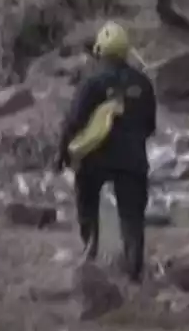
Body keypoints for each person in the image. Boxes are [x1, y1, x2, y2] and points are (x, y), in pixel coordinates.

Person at [55, 21, 157, 282]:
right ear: (125, 52)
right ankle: (134, 272)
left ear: (100, 51)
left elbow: (73, 121)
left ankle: (90, 255)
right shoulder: (144, 84)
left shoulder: (92, 82)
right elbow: (149, 126)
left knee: (87, 202)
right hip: (132, 160)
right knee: (132, 218)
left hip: (95, 159)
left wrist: (61, 155)